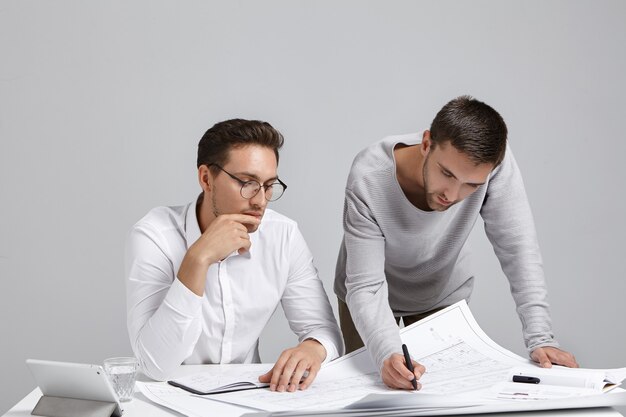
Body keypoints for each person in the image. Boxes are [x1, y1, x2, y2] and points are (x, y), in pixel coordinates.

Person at [334, 96, 578, 390]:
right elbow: (367, 286)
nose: (452, 194)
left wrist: (541, 337)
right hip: (367, 295)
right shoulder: (368, 176)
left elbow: (518, 247)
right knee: (373, 389)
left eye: (471, 185)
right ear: (426, 144)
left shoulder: (493, 163)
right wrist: (388, 352)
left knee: (443, 394)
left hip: (441, 293)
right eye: (446, 173)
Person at [126, 119, 343, 392]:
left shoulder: (283, 235)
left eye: (269, 185)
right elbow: (155, 365)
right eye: (247, 183)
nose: (260, 200)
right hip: (169, 398)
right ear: (206, 178)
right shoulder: (155, 235)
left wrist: (313, 348)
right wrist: (198, 258)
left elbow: (324, 331)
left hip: (248, 397)